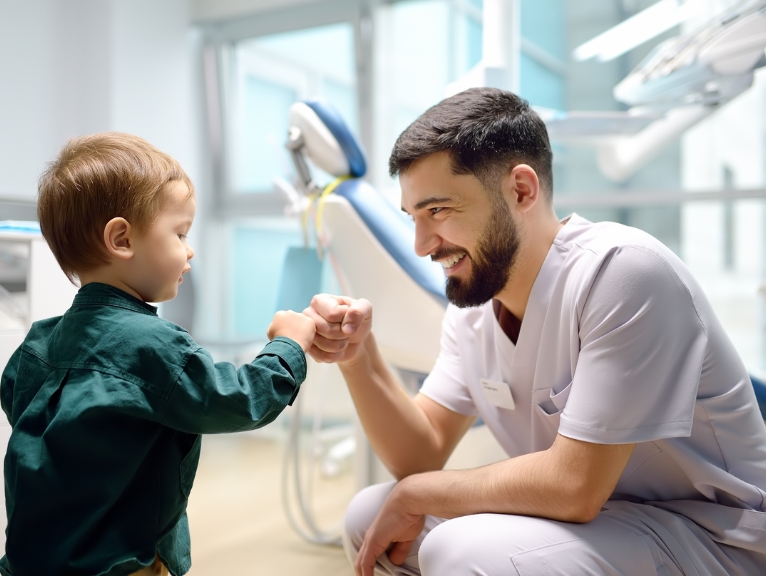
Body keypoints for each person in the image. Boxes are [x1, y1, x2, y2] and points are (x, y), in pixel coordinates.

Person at [304, 87, 766, 576]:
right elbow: (419, 452)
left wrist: (419, 492)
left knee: (459, 549)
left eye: (438, 211)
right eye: (414, 218)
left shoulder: (623, 272)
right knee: (367, 517)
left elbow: (574, 487)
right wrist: (358, 357)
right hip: (604, 523)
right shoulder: (474, 311)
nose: (421, 246)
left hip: (715, 536)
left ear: (521, 190)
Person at [0, 133, 316, 576]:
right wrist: (289, 343)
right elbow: (240, 400)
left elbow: (20, 408)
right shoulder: (154, 346)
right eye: (181, 233)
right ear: (122, 239)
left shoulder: (35, 345)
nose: (190, 250)